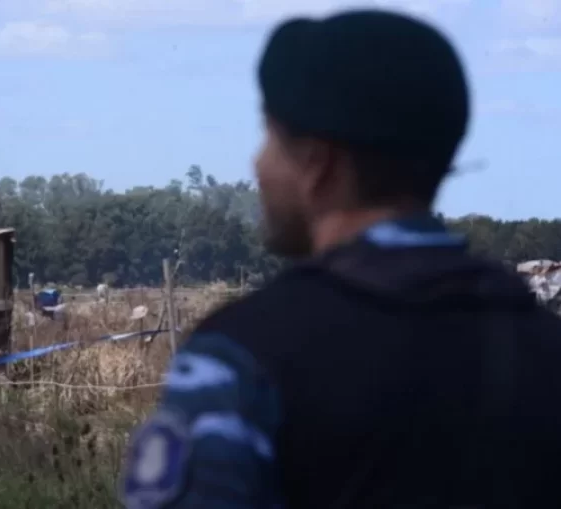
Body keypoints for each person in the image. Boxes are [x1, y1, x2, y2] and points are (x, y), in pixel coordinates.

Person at [120, 9, 561, 509]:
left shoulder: (243, 359)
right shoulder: (543, 347)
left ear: (317, 163)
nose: (257, 164)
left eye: (270, 138)